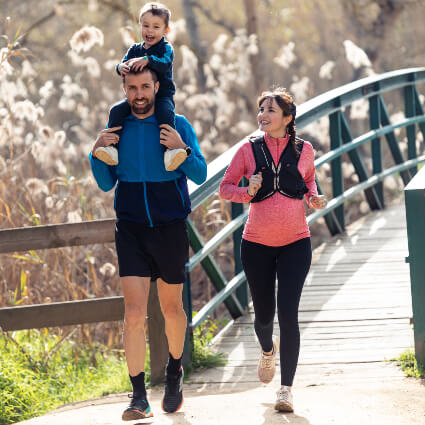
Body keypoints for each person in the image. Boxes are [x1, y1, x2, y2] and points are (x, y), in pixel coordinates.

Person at [89, 66, 207, 420]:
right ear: (124, 88)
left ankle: (174, 372)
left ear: (157, 86)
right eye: (132, 87)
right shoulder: (118, 126)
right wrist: (96, 152)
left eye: (145, 86)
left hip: (169, 227)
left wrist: (181, 148)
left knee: (171, 308)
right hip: (131, 228)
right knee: (134, 314)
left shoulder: (176, 124)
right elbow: (105, 183)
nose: (138, 94)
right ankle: (138, 395)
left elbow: (200, 173)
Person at [219, 88, 326, 413]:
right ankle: (267, 350)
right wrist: (246, 191)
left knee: (288, 315)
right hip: (256, 246)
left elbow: (308, 183)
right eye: (261, 109)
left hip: (296, 242)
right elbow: (225, 188)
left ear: (287, 117)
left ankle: (286, 390)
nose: (262, 115)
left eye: (270, 110)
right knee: (264, 316)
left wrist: (314, 198)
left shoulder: (304, 149)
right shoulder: (247, 150)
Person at [95, 2, 187, 172]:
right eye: (146, 26)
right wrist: (120, 68)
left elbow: (165, 63)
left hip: (162, 96)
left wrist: (147, 60)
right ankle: (112, 149)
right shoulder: (134, 49)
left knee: (165, 113)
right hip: (137, 98)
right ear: (139, 26)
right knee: (116, 111)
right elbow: (123, 64)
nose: (150, 31)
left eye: (156, 27)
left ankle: (170, 152)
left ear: (166, 30)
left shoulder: (166, 48)